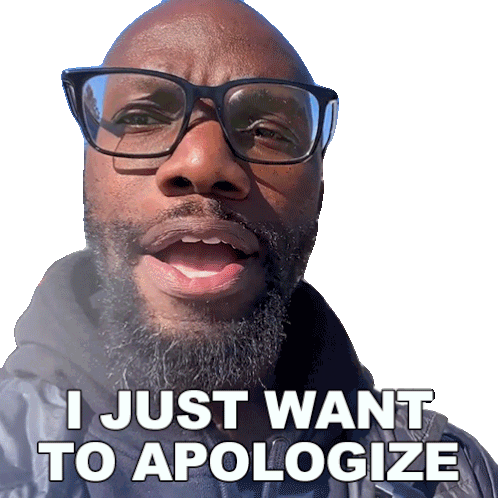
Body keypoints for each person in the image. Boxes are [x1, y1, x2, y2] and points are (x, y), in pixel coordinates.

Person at [0, 1, 496, 497]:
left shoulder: (448, 479)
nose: (201, 163)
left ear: (319, 193)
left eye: (266, 131)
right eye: (143, 117)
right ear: (86, 178)